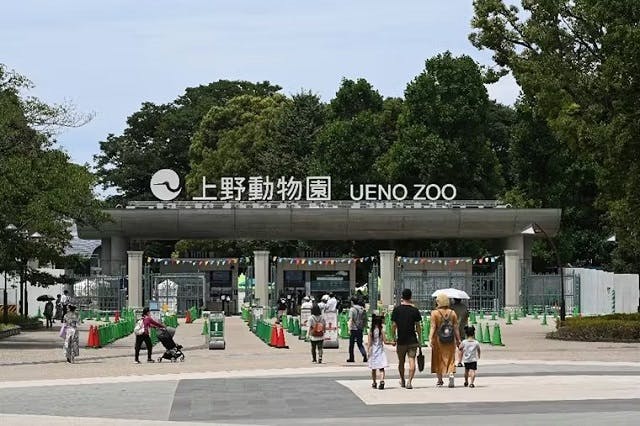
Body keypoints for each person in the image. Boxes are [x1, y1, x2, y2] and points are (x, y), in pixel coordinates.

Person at [391, 288, 422, 389]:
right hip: (412, 340)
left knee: (401, 362)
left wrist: (393, 337)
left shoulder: (397, 310)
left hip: (401, 340)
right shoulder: (415, 310)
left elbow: (394, 325)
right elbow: (418, 326)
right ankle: (409, 381)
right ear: (410, 297)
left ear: (402, 297)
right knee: (412, 360)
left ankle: (402, 380)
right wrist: (420, 338)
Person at [430, 293, 461, 388]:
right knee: (451, 358)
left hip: (438, 339)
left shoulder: (435, 313)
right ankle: (451, 373)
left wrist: (430, 338)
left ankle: (440, 380)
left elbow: (433, 327)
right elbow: (456, 327)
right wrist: (458, 340)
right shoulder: (452, 313)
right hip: (450, 339)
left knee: (438, 358)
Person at [367, 313, 390, 390]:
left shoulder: (371, 331)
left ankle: (374, 382)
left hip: (373, 351)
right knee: (381, 367)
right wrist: (392, 342)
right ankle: (382, 381)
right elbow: (385, 342)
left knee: (373, 368)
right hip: (380, 350)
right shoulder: (381, 331)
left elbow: (369, 343)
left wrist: (368, 351)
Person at [346, 297, 367, 363]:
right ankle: (364, 354)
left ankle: (351, 358)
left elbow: (351, 319)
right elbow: (365, 319)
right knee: (360, 344)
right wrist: (363, 327)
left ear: (352, 302)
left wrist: (349, 328)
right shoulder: (362, 309)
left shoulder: (352, 309)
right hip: (360, 328)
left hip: (353, 328)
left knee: (351, 345)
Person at [451, 298, 469, 367]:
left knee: (451, 346)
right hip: (462, 328)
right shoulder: (464, 307)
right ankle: (459, 361)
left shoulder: (451, 308)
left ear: (454, 299)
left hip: (452, 328)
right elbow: (466, 317)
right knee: (460, 345)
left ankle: (452, 362)